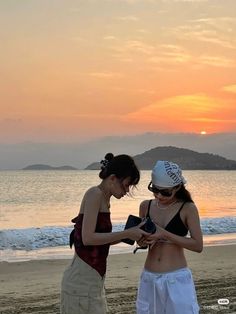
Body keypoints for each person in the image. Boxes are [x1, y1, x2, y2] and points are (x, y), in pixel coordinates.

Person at [61, 153, 148, 314]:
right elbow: (88, 238)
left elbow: (99, 239)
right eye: (126, 185)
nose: (126, 190)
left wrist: (130, 234)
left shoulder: (104, 200)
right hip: (81, 281)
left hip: (93, 279)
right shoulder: (95, 194)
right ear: (113, 178)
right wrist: (126, 233)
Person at [136, 160, 203, 314]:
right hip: (149, 278)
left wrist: (164, 233)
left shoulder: (188, 208)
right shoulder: (145, 206)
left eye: (165, 192)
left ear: (178, 187)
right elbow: (144, 245)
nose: (159, 195)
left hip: (176, 278)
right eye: (155, 189)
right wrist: (142, 241)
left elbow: (198, 245)